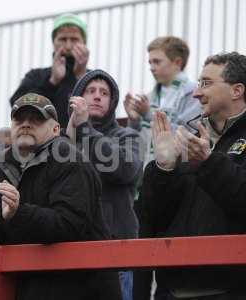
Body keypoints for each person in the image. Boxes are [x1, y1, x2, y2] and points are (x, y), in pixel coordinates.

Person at [0, 93, 123, 300]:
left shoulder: (72, 162)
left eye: (36, 119)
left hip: (82, 289)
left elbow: (69, 225)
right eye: (19, 119)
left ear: (56, 129)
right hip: (28, 288)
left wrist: (19, 213)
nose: (26, 124)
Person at [140, 51, 246, 299]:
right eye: (199, 83)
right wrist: (163, 169)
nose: (197, 93)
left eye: (206, 83)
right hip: (171, 290)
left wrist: (209, 163)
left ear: (237, 90)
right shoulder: (187, 138)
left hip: (230, 291)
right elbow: (152, 217)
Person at [66, 69, 142, 300]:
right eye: (90, 91)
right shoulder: (63, 139)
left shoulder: (128, 136)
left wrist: (85, 129)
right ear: (77, 98)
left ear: (113, 101)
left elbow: (126, 169)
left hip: (115, 252)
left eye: (104, 93)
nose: (97, 96)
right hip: (70, 251)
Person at [124, 36, 201, 166]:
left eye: (157, 62)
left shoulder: (193, 92)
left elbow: (189, 136)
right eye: (150, 62)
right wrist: (134, 121)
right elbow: (138, 146)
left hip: (177, 173)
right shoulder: (148, 98)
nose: (151, 67)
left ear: (177, 62)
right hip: (149, 171)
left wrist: (149, 114)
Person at [10, 13, 89, 128]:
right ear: (54, 42)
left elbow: (101, 113)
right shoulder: (36, 76)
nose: (68, 45)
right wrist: (52, 82)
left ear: (83, 43)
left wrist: (81, 78)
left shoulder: (95, 79)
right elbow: (18, 106)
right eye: (62, 39)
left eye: (74, 39)